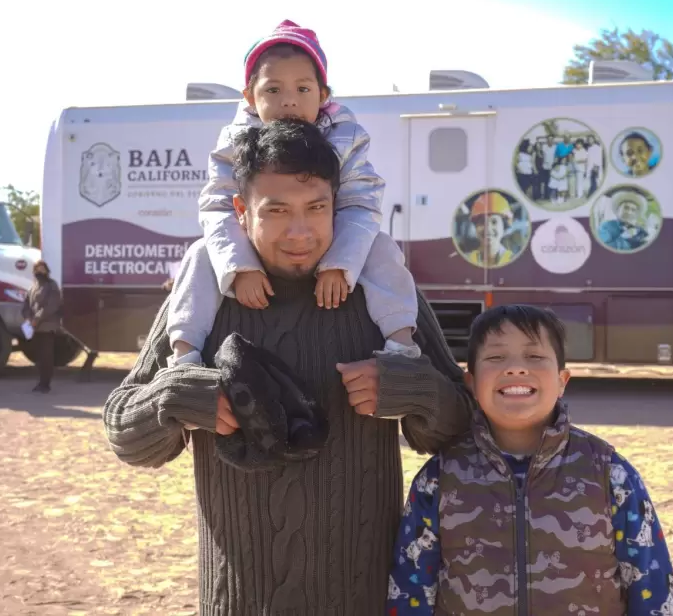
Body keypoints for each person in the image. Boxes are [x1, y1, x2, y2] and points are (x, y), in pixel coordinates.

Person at [103, 118, 475, 615]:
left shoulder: (381, 292)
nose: (300, 232)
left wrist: (410, 388)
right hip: (239, 601)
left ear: (338, 206)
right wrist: (182, 397)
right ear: (240, 211)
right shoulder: (207, 294)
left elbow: (463, 427)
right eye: (276, 211)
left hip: (361, 599)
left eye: (316, 209)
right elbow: (125, 431)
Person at [387, 305, 673, 615]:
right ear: (471, 383)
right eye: (496, 358)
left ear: (562, 380)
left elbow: (652, 584)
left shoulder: (609, 473)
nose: (515, 368)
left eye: (535, 357)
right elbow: (410, 588)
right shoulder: (441, 478)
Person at [167, 19, 420, 372]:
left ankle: (402, 342)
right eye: (273, 90)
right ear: (249, 98)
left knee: (381, 246)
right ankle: (182, 355)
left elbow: (360, 204)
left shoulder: (345, 137)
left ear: (324, 95)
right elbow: (218, 207)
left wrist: (339, 266)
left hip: (334, 251)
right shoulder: (234, 142)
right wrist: (240, 267)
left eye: (303, 89)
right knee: (199, 255)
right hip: (252, 257)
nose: (288, 101)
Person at [22, 260, 64, 393]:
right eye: (37, 269)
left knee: (46, 356)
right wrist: (28, 318)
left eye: (42, 269)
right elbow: (26, 305)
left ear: (47, 270)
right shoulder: (33, 286)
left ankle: (45, 384)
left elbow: (52, 306)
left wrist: (37, 319)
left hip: (47, 326)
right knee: (39, 357)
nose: (40, 272)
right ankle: (40, 382)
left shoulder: (52, 286)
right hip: (34, 328)